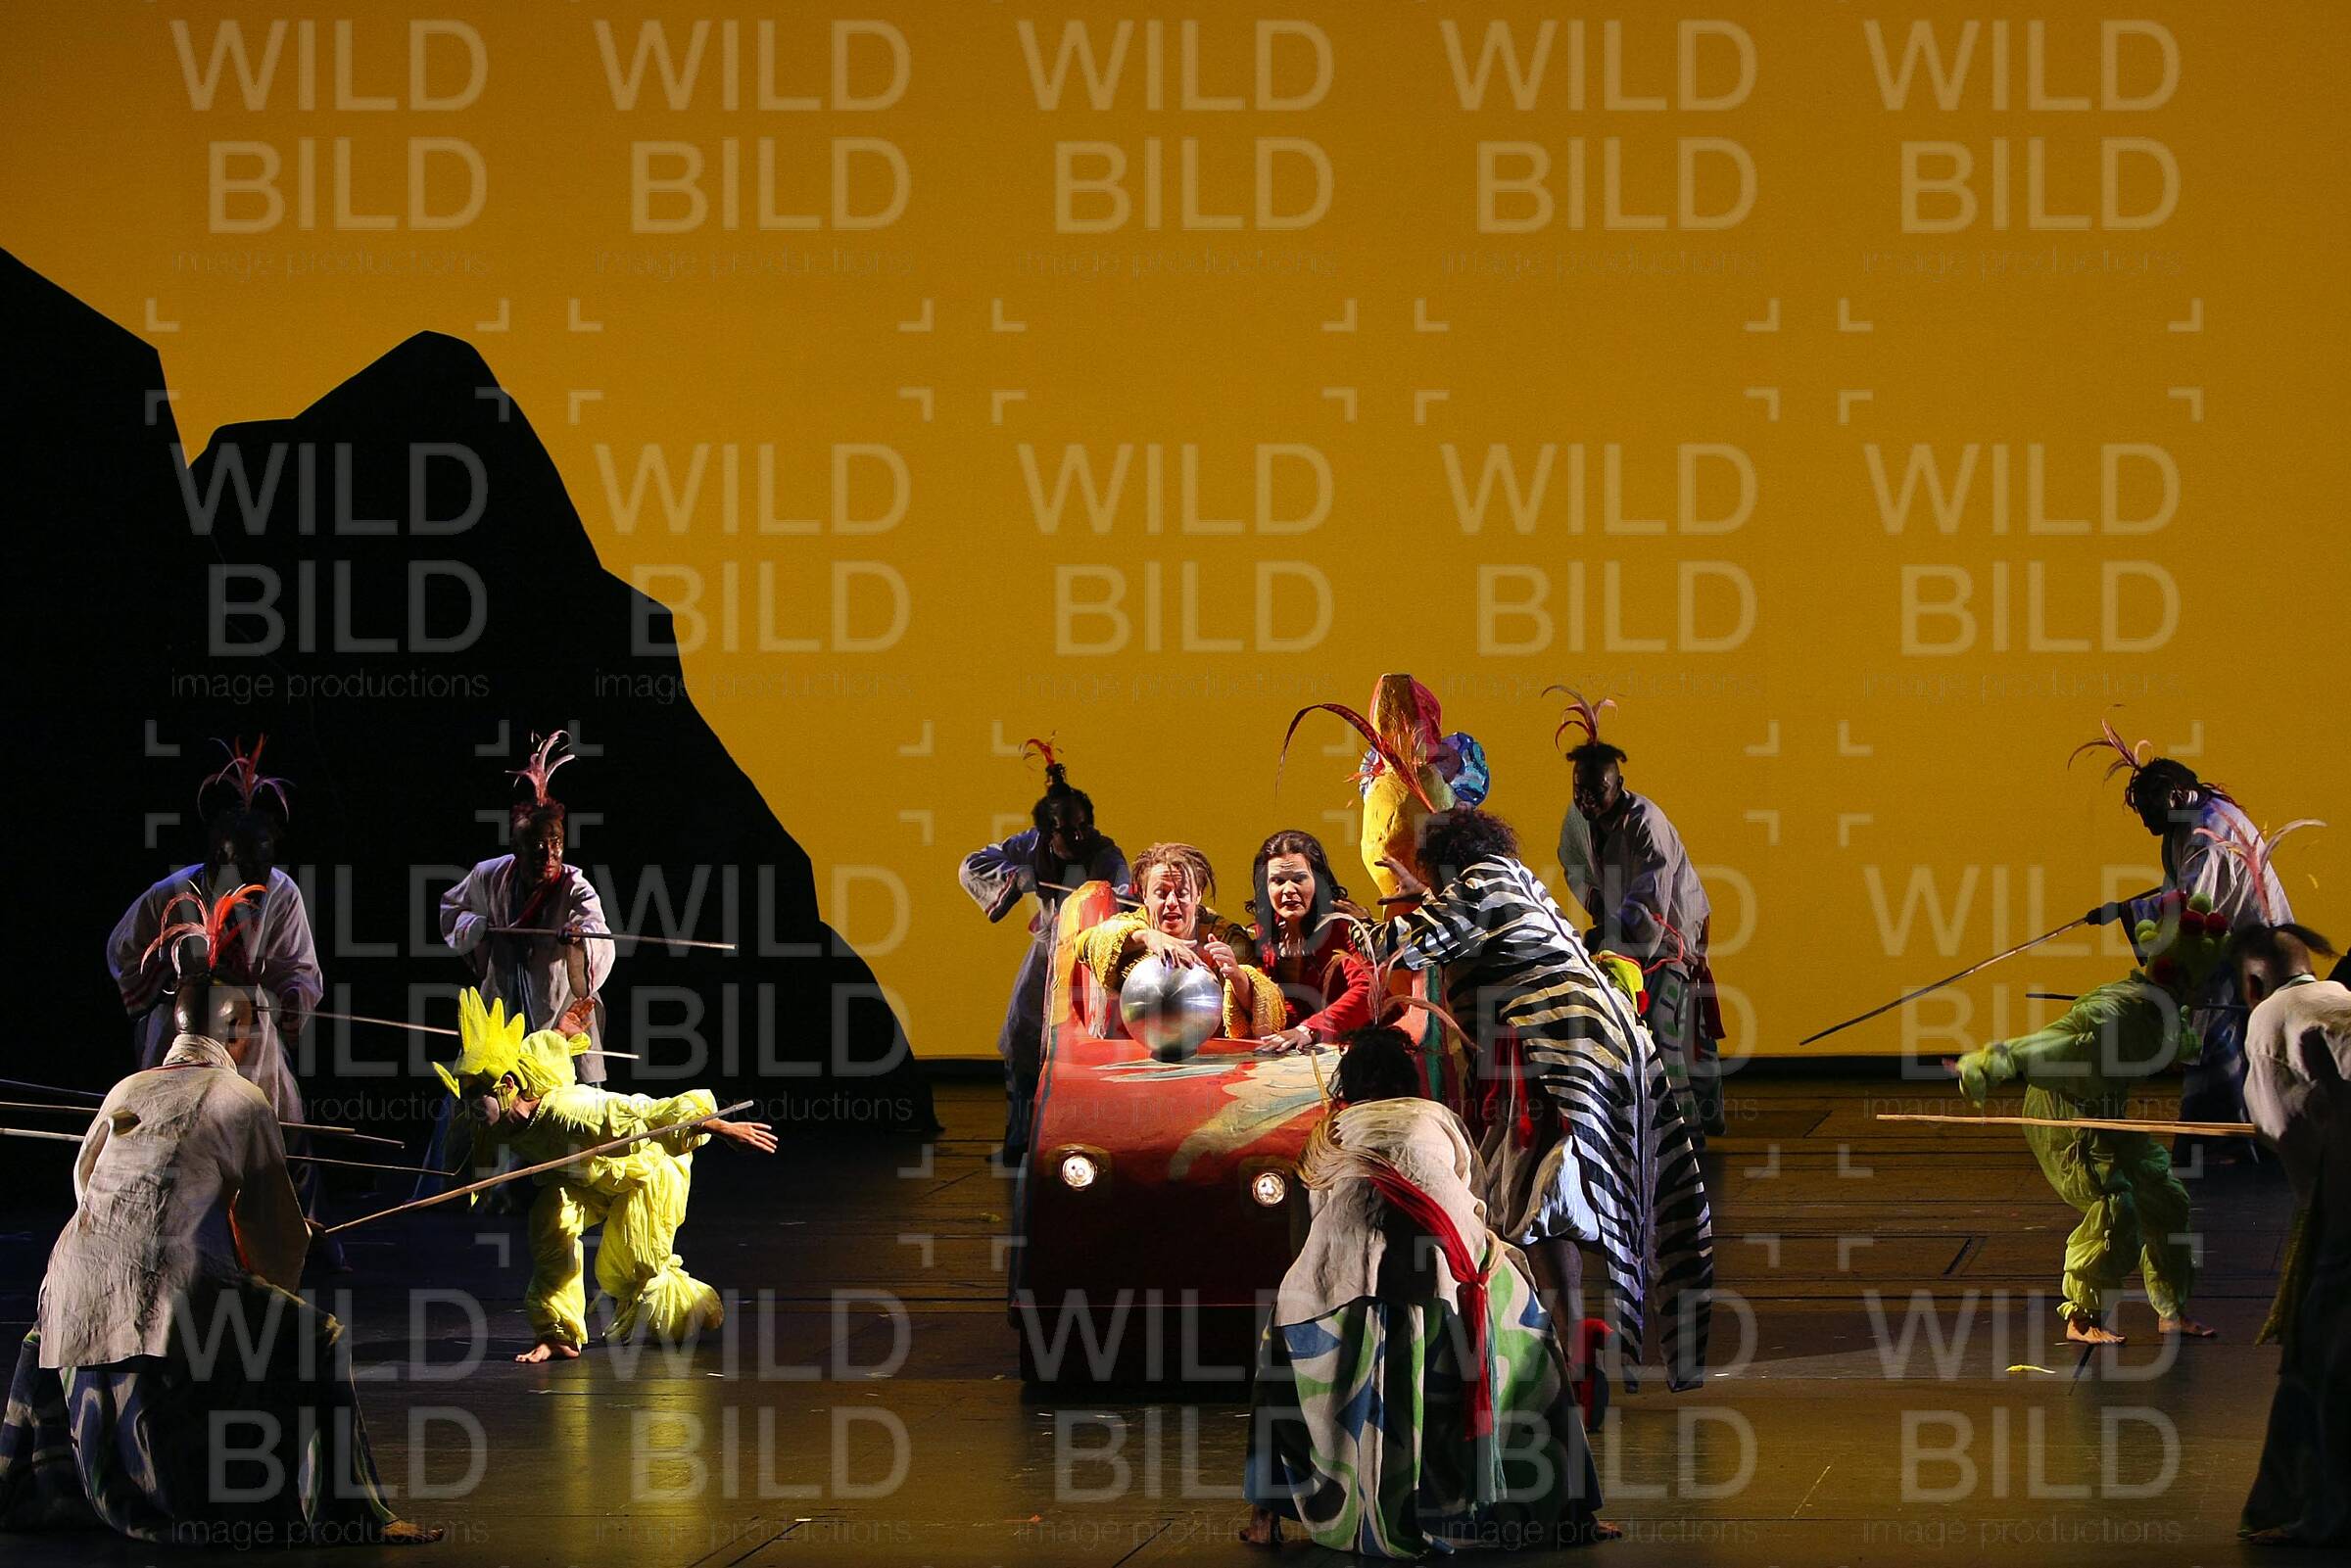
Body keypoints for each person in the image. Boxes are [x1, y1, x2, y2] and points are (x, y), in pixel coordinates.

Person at [1, 896, 439, 1545]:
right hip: (166, 1286)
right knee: (315, 1335)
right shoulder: (242, 1096)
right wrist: (294, 1249)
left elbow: (86, 1188)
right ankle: (348, 1515)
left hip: (68, 1275)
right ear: (236, 1029)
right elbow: (273, 1237)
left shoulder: (126, 1088)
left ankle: (37, 1485)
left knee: (56, 1324)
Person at [1369, 806, 1713, 1391]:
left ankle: (1565, 1348)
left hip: (1558, 1054)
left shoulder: (1480, 883)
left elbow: (1405, 947)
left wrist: (1387, 915)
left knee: (1535, 1194)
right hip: (1604, 1049)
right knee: (1591, 1195)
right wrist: (1424, 899)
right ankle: (1575, 1341)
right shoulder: (1513, 877)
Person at [1243, 1025, 1610, 1554]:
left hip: (1343, 1275)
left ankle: (1264, 1515)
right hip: (1449, 1273)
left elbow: (1313, 1218)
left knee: (1276, 1362)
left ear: (1350, 1086)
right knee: (1536, 1348)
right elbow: (1473, 1192)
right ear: (1406, 1080)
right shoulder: (1436, 1117)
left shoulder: (1332, 1131)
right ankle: (1572, 1514)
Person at [434, 988, 778, 1363]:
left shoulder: (575, 1114)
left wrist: (721, 1128)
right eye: (465, 1095)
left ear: (507, 1086)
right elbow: (542, 1051)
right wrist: (563, 1032)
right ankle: (557, 1333)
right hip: (583, 1178)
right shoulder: (501, 1114)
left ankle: (686, 1308)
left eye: (476, 1094)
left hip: (644, 1172)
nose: (469, 1106)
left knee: (635, 1264)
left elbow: (651, 1113)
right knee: (550, 1225)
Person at [1952, 892, 2227, 1345]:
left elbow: (2170, 1041)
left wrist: (2184, 1042)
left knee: (2165, 1201)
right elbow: (2056, 1042)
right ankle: (2082, 1318)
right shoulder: (2113, 1015)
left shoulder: (2160, 1011)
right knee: (2116, 1206)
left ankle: (2171, 1309)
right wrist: (1992, 1062)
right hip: (2066, 1116)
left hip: (2107, 1111)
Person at [105, 736, 337, 1259]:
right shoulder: (173, 893)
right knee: (178, 1133)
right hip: (183, 1034)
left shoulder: (281, 891)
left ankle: (295, 1244)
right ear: (217, 856)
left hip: (252, 1037)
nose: (255, 881)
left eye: (263, 868)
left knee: (280, 1128)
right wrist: (175, 979)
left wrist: (293, 996)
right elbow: (123, 951)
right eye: (244, 868)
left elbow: (298, 965)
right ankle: (170, 1245)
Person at [2074, 717, 2292, 1160]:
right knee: (2233, 1041)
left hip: (2252, 949)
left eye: (2149, 812)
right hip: (2234, 946)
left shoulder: (2209, 834)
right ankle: (2236, 1142)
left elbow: (2193, 905)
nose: (2147, 824)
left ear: (2174, 797)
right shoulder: (2191, 822)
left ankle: (2219, 1144)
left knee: (2218, 1039)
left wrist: (2128, 913)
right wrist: (2126, 908)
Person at [1553, 689, 1727, 1139]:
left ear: (1618, 785)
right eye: (1579, 791)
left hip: (1671, 934)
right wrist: (1596, 904)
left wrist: (1615, 931)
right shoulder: (1580, 817)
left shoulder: (1645, 823)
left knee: (1665, 1030)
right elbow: (1573, 862)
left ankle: (1686, 1130)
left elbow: (1653, 895)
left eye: (1597, 792)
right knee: (1676, 1027)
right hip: (1630, 931)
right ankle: (1698, 1115)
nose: (1587, 801)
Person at [2232, 922, 2349, 1546]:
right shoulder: (2341, 1000)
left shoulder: (2268, 1018)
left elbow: (2278, 1129)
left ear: (2253, 982)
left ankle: (2320, 1514)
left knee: (2320, 1365)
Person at [958, 741, 1128, 1159]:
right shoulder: (1030, 846)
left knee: (1090, 1045)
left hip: (1091, 956)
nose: (1078, 836)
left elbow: (1124, 897)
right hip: (1046, 953)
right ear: (1047, 832)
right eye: (1068, 831)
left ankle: (1088, 1140)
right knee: (1021, 1036)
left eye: (1083, 826)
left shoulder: (1106, 854)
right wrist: (1017, 877)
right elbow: (971, 865)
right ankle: (1019, 1139)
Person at [441, 730, 613, 1082]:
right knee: (492, 1092)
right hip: (503, 1001)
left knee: (566, 1093)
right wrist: (478, 928)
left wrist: (578, 939)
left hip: (558, 1004)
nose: (548, 854)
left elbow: (597, 932)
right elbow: (453, 910)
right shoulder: (489, 875)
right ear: (517, 848)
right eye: (537, 845)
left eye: (556, 842)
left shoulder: (575, 886)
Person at [1072, 841, 1283, 1038]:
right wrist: (1147, 936)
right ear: (1144, 895)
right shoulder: (1135, 925)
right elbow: (1084, 944)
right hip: (1139, 1048)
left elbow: (1270, 1008)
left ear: (1198, 895)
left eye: (1182, 893)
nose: (1172, 902)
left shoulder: (1225, 937)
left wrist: (1238, 977)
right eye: (1161, 893)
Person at [1244, 830, 1374, 1055]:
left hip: (1361, 1046)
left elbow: (1369, 990)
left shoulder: (1342, 926)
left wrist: (1309, 1028)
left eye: (1298, 879)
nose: (1288, 890)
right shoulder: (1265, 931)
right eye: (1277, 881)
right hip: (1299, 1052)